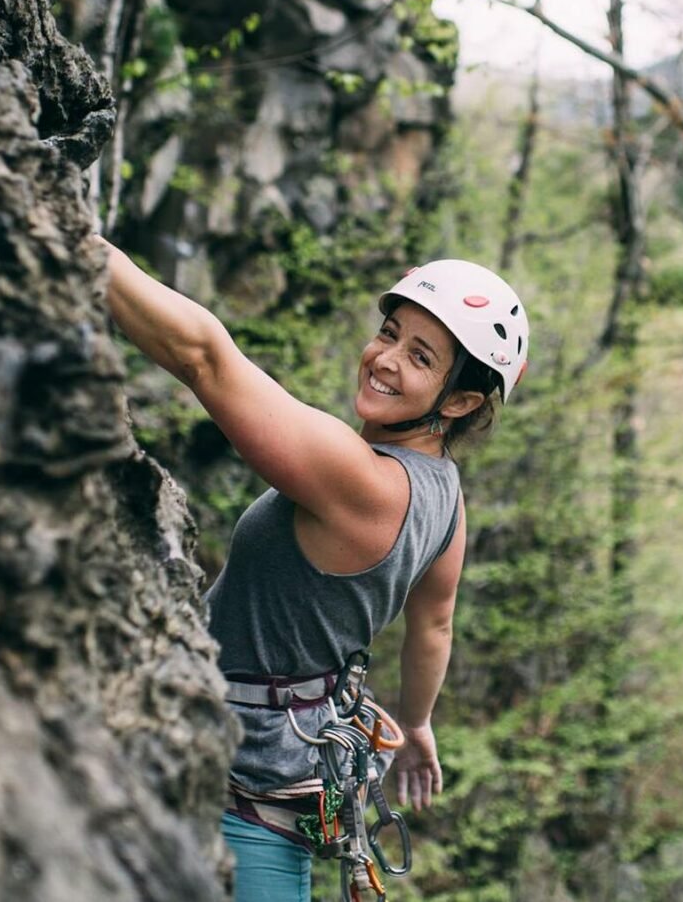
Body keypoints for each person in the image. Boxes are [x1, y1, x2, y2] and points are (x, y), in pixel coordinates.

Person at [98, 240, 529, 901]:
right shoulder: (444, 495)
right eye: (389, 333)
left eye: (420, 357)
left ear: (462, 401)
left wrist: (78, 243)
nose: (384, 359)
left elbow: (205, 359)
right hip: (283, 763)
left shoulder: (365, 484)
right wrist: (416, 724)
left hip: (241, 781)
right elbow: (434, 624)